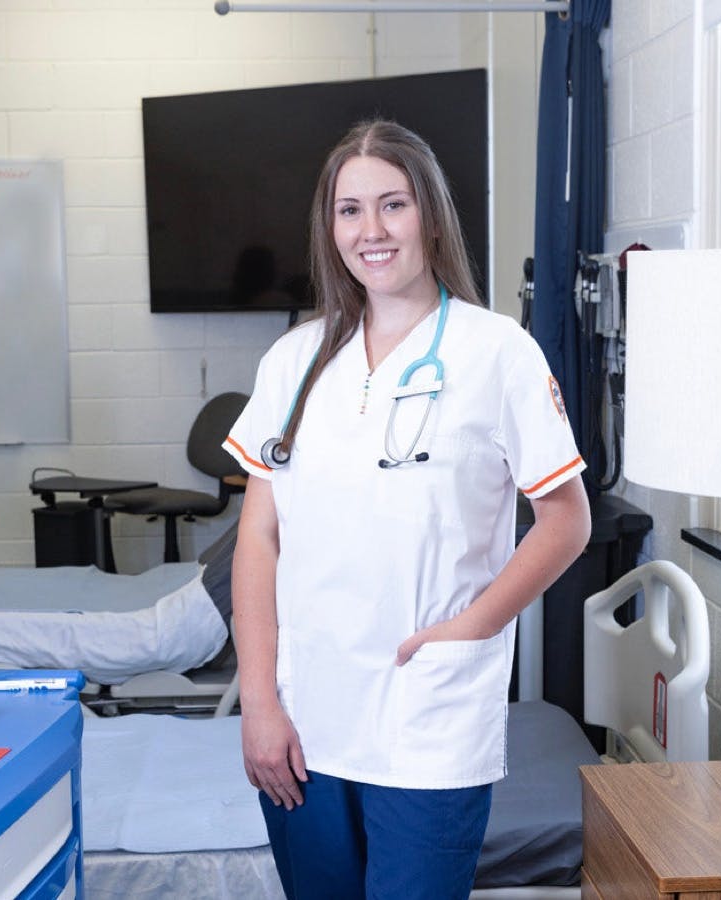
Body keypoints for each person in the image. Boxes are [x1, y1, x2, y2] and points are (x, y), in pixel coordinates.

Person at [223, 120, 592, 900]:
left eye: (393, 205)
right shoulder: (294, 358)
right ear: (331, 228)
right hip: (305, 717)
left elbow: (567, 520)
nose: (372, 230)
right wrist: (257, 702)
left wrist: (472, 627)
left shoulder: (499, 353)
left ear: (430, 213)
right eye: (350, 210)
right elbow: (258, 534)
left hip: (427, 716)